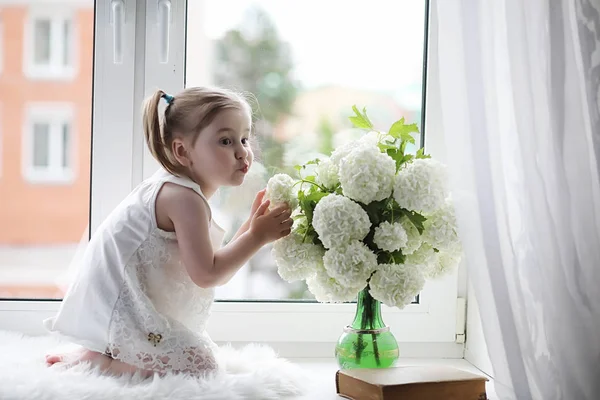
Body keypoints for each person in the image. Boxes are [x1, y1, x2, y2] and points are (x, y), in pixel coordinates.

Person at [43, 86, 292, 378]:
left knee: (200, 358)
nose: (242, 152)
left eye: (244, 138)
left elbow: (211, 264)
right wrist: (256, 237)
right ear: (182, 151)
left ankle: (106, 353)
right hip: (123, 313)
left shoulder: (181, 191)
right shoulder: (183, 199)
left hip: (128, 308)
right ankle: (101, 362)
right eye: (226, 141)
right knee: (203, 368)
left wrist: (251, 226)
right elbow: (208, 275)